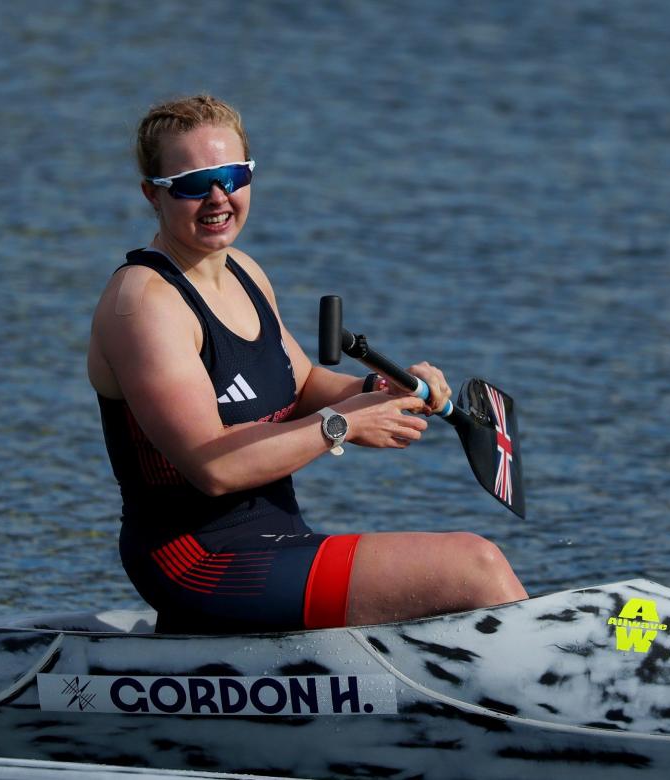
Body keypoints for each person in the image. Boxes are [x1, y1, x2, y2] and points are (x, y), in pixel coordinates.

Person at [87, 94, 527, 633]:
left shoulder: (245, 272)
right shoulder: (144, 305)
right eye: (194, 182)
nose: (219, 197)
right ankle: (570, 693)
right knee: (474, 566)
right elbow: (214, 468)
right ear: (151, 195)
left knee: (466, 574)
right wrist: (346, 425)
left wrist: (381, 388)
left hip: (279, 540)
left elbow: (304, 381)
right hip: (197, 563)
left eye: (232, 175)